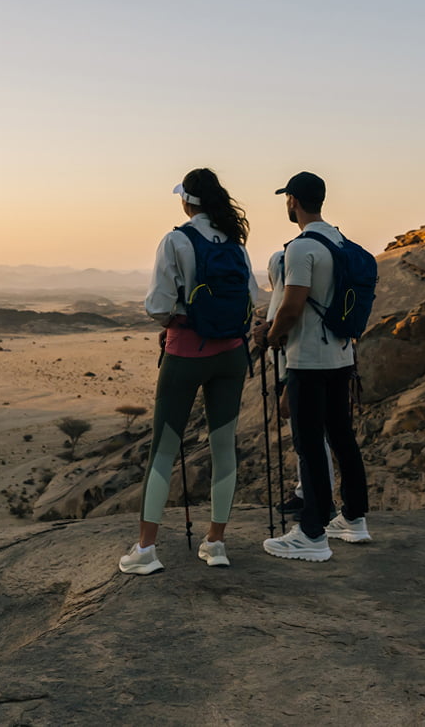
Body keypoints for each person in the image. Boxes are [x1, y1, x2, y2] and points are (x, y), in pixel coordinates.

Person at [119, 168, 258, 575]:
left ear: (187, 201)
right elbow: (252, 298)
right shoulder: (235, 244)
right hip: (232, 355)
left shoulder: (176, 240)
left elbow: (158, 305)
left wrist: (175, 321)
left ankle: (146, 550)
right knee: (224, 448)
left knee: (163, 450)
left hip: (186, 353)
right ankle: (216, 543)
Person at [260, 171, 371, 562]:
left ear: (292, 200)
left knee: (309, 444)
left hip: (308, 359)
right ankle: (354, 519)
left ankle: (312, 534)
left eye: (287, 199)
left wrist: (271, 336)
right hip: (341, 355)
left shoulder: (301, 248)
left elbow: (292, 306)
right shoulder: (340, 242)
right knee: (342, 438)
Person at [256, 249, 335, 520]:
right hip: (303, 362)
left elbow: (291, 321)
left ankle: (318, 499)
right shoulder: (290, 279)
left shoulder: (288, 283)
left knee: (309, 435)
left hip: (297, 365)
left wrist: (271, 335)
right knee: (308, 434)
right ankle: (307, 492)